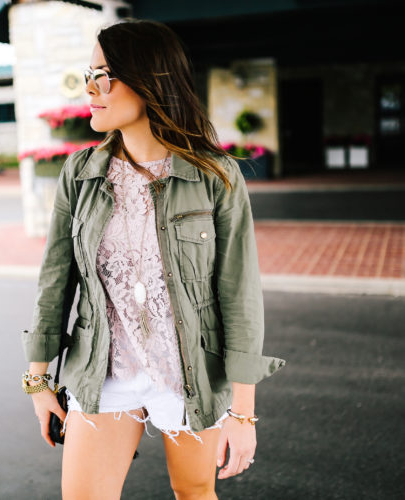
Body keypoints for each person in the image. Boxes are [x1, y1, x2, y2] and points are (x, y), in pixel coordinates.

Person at [21, 18, 286, 500]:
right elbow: (54, 284)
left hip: (189, 376)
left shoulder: (215, 177)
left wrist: (243, 414)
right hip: (103, 371)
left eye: (104, 74)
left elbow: (239, 297)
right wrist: (37, 378)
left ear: (148, 81)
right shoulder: (80, 174)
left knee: (193, 494)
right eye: (89, 73)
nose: (91, 88)